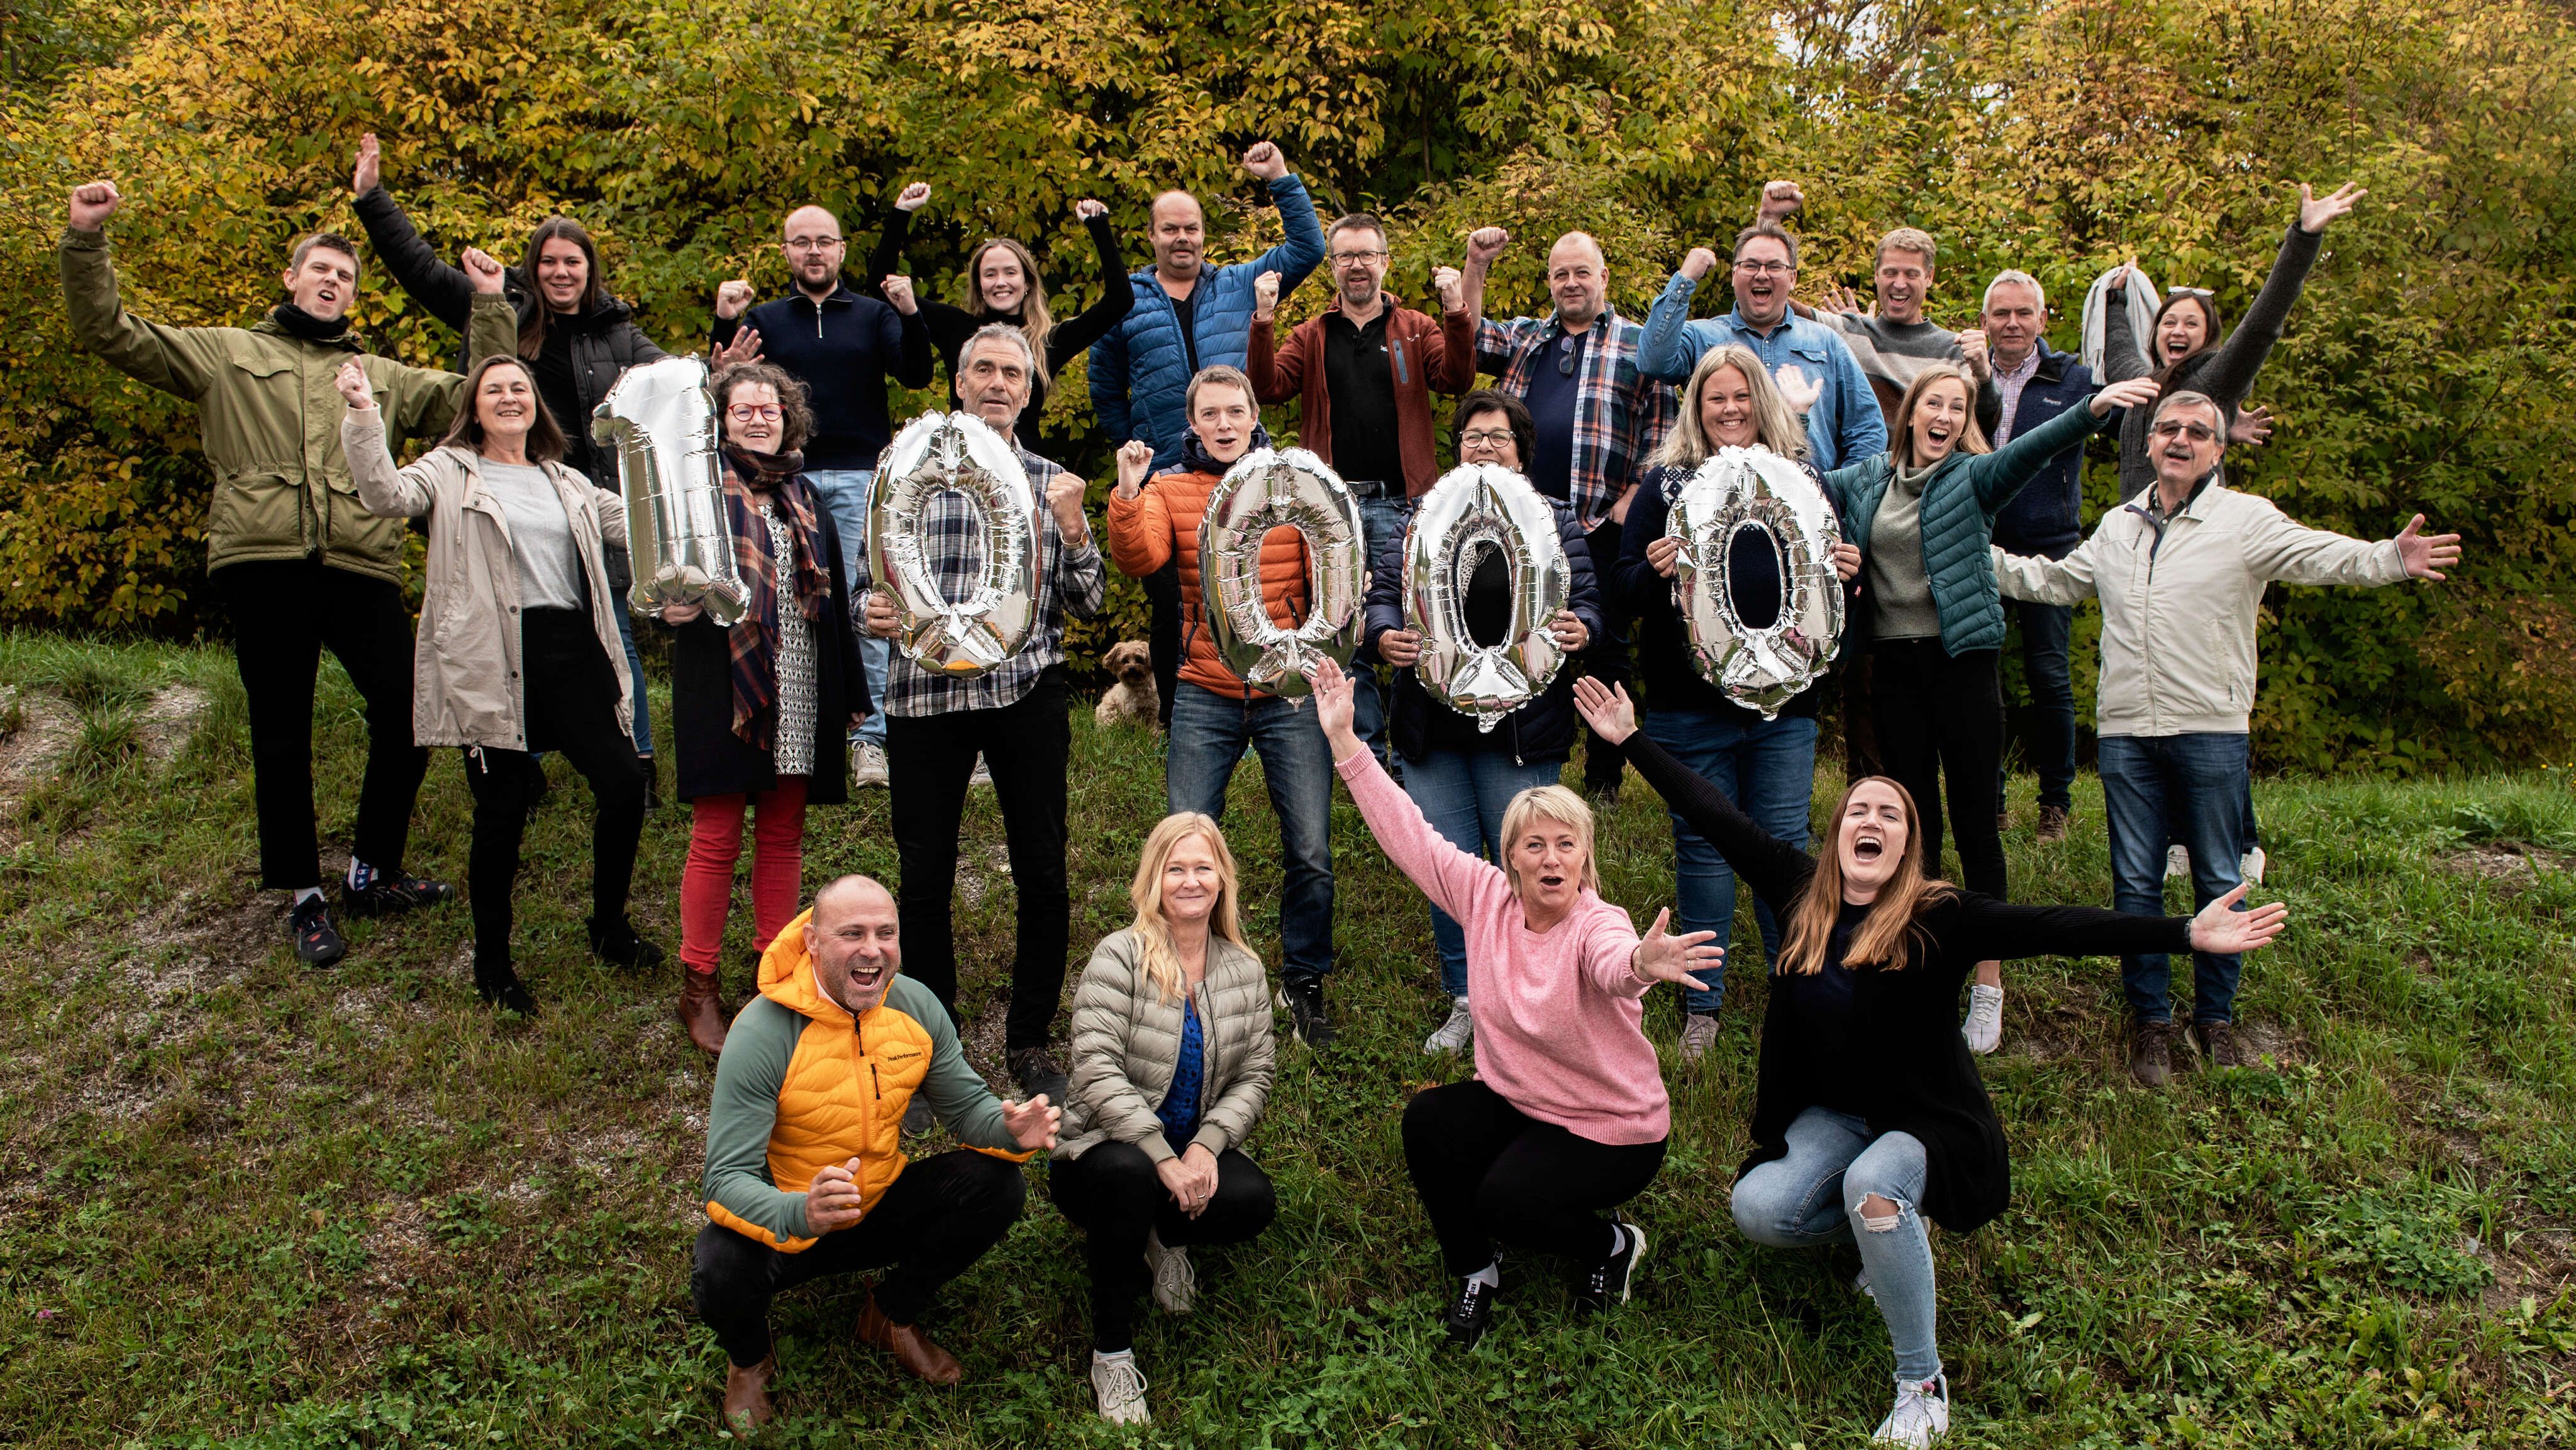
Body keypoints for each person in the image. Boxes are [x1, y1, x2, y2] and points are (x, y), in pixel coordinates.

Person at [1572, 675, 2286, 1447]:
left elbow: (2055, 926)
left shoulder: (1940, 916)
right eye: (1859, 809)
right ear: (1837, 832)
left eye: (1890, 814)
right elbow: (1713, 812)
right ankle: (1878, 1246)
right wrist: (1630, 739)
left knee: (1873, 1187)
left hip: (1923, 1121)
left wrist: (2183, 932)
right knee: (1759, 1209)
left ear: (1907, 845)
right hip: (1833, 1117)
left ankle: (1921, 1381)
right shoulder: (1796, 890)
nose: (1871, 819)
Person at [60, 180, 509, 966]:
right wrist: (86, 238)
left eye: (347, 276)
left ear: (354, 295)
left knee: (411, 709)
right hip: (262, 562)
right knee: (281, 729)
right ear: (292, 278)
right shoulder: (227, 353)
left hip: (360, 562)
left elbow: (480, 399)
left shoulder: (379, 373)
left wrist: (491, 306)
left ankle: (372, 871)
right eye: (321, 269)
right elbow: (109, 331)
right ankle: (304, 895)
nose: (333, 280)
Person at [1992, 389, 2459, 1085]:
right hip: (2126, 733)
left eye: (2196, 431)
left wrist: (2389, 557)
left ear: (2217, 449)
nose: (2179, 439)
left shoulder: (2244, 519)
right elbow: (2056, 581)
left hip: (2210, 729)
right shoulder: (2118, 525)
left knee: (2217, 876)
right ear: (2149, 443)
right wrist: (1976, 557)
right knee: (2135, 883)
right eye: (2167, 429)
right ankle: (2150, 1021)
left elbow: (2319, 555)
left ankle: (2215, 1018)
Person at [1309, 658, 1716, 1346]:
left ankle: (1610, 1245)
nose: (1551, 858)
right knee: (1427, 1122)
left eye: (1566, 845)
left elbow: (1613, 964)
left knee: (1505, 1200)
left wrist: (1641, 964)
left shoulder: (1598, 923)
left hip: (1612, 1126)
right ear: (1512, 858)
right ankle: (1476, 1268)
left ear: (1583, 860)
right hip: (1521, 1102)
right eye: (1535, 845)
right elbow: (1408, 834)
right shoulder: (1484, 898)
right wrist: (1345, 740)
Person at [1824, 360, 2162, 1043]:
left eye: (1958, 407)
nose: (1945, 417)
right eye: (1934, 404)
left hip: (1964, 668)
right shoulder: (1864, 481)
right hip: (1894, 668)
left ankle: (1987, 985)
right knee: (1915, 829)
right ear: (1910, 414)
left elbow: (2032, 449)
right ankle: (1922, 967)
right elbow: (1800, 485)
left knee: (1977, 826)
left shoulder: (1973, 478)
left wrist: (2092, 410)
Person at [340, 354, 658, 1014]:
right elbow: (385, 496)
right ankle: (493, 962)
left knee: (625, 785)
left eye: (519, 387)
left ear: (535, 404)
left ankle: (608, 927)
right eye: (494, 390)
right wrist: (364, 413)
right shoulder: (449, 469)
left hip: (573, 652)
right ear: (475, 408)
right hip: (492, 657)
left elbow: (641, 524)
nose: (510, 397)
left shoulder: (565, 479)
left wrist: (680, 459)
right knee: (503, 812)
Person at [691, 874, 1060, 1431]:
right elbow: (725, 1179)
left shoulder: (915, 1006)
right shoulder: (762, 1032)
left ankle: (889, 1314)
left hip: (877, 1203)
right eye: (852, 934)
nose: (873, 950)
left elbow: (966, 1109)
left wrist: (1010, 1130)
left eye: (886, 933)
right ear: (812, 942)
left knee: (998, 1185)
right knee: (718, 1267)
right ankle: (749, 1360)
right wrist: (800, 1211)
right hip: (791, 1221)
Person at [350, 135, 667, 783]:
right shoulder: (500, 308)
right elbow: (419, 270)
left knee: (611, 631)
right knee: (510, 637)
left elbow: (675, 387)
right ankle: (521, 764)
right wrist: (373, 199)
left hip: (581, 498)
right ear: (533, 267)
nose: (560, 272)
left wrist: (722, 347)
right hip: (499, 496)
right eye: (548, 261)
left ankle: (636, 760)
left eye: (572, 262)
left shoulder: (618, 331)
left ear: (590, 269)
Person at [857, 325, 1106, 1108]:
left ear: (1028, 392)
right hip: (923, 697)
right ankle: (936, 1046)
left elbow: (1090, 602)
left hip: (1024, 694)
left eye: (1013, 374)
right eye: (984, 369)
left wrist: (1075, 527)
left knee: (1042, 867)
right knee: (924, 875)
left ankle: (1030, 1038)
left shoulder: (1050, 481)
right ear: (960, 383)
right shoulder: (901, 469)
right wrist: (871, 609)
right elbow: (869, 587)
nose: (998, 383)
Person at [2102, 180, 2367, 882]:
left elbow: (2264, 324)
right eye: (2169, 320)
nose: (2177, 330)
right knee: (2154, 697)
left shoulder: (2215, 382)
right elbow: (2118, 343)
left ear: (2207, 336)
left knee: (2208, 706)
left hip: (2199, 549)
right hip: (2139, 548)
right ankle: (2176, 839)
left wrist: (2303, 238)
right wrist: (2117, 297)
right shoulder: (2140, 383)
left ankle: (2238, 843)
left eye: (2192, 323)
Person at [1615, 345, 1862, 1060]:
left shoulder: (1804, 480)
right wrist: (1652, 569)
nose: (1729, 409)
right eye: (1714, 397)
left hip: (1783, 711)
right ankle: (1704, 1006)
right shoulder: (1665, 486)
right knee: (1703, 850)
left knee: (1785, 849)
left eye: (1741, 395)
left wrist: (1851, 573)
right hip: (1687, 708)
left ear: (1763, 401)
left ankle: (1804, 993)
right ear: (1696, 407)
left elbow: (1835, 593)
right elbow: (1624, 587)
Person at [1105, 366, 1341, 1045]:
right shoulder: (1169, 487)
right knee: (1183, 846)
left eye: (1235, 410)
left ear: (1253, 415)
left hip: (1285, 692)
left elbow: (1329, 579)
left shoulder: (1292, 482)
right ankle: (1188, 982)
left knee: (1310, 848)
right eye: (1209, 414)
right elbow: (1140, 557)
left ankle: (1303, 981)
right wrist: (1128, 493)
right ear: (1193, 424)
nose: (1224, 424)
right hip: (1205, 687)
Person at [1366, 390, 1606, 1056]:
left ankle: (1538, 997)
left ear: (1521, 453)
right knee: (1449, 871)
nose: (1484, 448)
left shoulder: (1554, 518)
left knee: (1532, 865)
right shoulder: (1420, 515)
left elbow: (1589, 601)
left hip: (1523, 734)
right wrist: (1383, 634)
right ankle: (1467, 998)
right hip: (1433, 730)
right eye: (1472, 437)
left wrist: (1582, 628)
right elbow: (1383, 595)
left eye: (1499, 437)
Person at [663, 362, 871, 1055]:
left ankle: (772, 979)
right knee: (716, 836)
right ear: (721, 420)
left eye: (770, 409)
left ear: (789, 419)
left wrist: (850, 693)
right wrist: (669, 605)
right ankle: (698, 985)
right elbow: (662, 580)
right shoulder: (696, 491)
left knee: (782, 836)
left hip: (801, 681)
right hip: (723, 681)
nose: (758, 419)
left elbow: (833, 602)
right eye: (743, 409)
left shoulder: (805, 495)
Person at [1090, 142, 1328, 729]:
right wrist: (1139, 444)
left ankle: (1264, 709)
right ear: (1152, 236)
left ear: (1203, 234)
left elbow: (1308, 248)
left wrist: (1279, 178)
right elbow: (1104, 386)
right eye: (1170, 229)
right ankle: (1177, 724)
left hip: (1244, 474)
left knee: (1256, 590)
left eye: (1191, 228)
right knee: (1172, 606)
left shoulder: (1238, 284)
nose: (1182, 239)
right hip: (1168, 480)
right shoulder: (1125, 303)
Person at [1051, 814, 1279, 1425]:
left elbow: (1256, 1073)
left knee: (1252, 1200)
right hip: (1101, 1155)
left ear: (1222, 878)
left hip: (1188, 1148)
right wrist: (1160, 1155)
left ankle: (1167, 1238)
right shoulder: (1119, 956)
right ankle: (1112, 1353)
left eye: (1203, 867)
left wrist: (1207, 1146)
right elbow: (1095, 1068)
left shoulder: (1244, 969)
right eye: (1176, 868)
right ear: (1154, 878)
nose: (1190, 880)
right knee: (1129, 1175)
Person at [709, 205, 935, 788]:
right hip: (782, 481)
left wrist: (910, 313)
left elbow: (916, 374)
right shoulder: (764, 318)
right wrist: (722, 324)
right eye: (802, 242)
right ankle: (795, 722)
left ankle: (870, 740)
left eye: (824, 242)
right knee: (788, 607)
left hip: (863, 477)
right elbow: (726, 390)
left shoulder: (872, 314)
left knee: (867, 606)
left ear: (841, 251)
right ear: (786, 251)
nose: (814, 251)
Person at [1456, 227, 1677, 800]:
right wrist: (1476, 266)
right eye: (1561, 274)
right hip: (1517, 529)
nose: (1571, 283)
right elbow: (1469, 335)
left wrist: (1636, 495)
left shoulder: (1639, 344)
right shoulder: (1527, 337)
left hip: (1599, 523)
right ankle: (1523, 754)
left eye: (1582, 272)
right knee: (1517, 634)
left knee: (1603, 646)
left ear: (1604, 277)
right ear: (1550, 282)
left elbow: (1663, 427)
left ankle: (1603, 777)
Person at [1248, 213, 1479, 759]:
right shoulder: (1312, 335)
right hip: (1334, 511)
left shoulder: (1416, 327)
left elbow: (1457, 379)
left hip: (1406, 504)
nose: (1357, 265)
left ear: (1384, 262)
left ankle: (1414, 754)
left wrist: (1456, 311)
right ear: (1333, 267)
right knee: (1346, 632)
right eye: (1346, 256)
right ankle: (1367, 755)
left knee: (1415, 624)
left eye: (1366, 255)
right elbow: (1267, 387)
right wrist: (1263, 318)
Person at [1957, 270, 2092, 849]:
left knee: (2049, 676)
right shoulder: (1965, 373)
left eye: (2023, 313)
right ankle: (1992, 802)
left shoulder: (2074, 377)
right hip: (1979, 540)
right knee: (1981, 677)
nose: (2012, 324)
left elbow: (2131, 418)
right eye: (2001, 314)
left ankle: (2055, 804)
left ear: (2042, 318)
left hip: (2049, 544)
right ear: (1985, 320)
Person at [867, 182, 1133, 445]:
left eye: (1010, 272)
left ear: (1027, 282)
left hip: (1023, 462)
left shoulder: (1047, 341)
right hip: (962, 458)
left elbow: (1120, 300)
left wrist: (1099, 227)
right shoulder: (954, 327)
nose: (1001, 282)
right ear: (979, 285)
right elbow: (881, 285)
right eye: (990, 274)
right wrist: (902, 211)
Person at [1635, 220, 1884, 472]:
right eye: (1750, 265)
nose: (1762, 274)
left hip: (1808, 492)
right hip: (1714, 491)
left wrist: (1839, 488)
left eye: (1775, 266)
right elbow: (1652, 361)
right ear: (1734, 275)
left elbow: (1868, 428)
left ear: (1793, 278)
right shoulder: (1701, 336)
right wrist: (1685, 280)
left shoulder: (1826, 342)